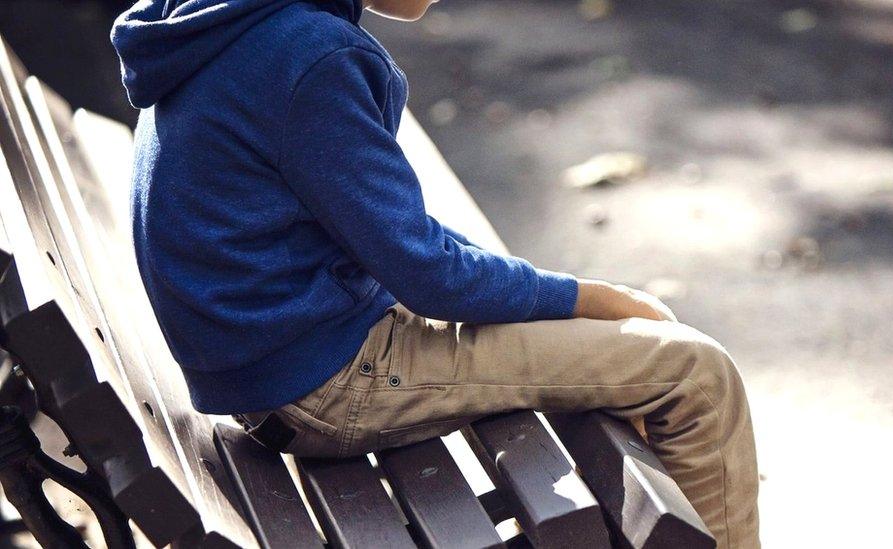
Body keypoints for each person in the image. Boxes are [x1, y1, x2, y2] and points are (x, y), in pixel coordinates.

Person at [111, 0, 759, 546]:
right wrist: (592, 297)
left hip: (277, 367)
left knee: (643, 364)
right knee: (695, 372)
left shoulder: (222, 18)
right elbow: (427, 273)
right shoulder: (311, 56)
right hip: (328, 381)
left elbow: (390, 238)